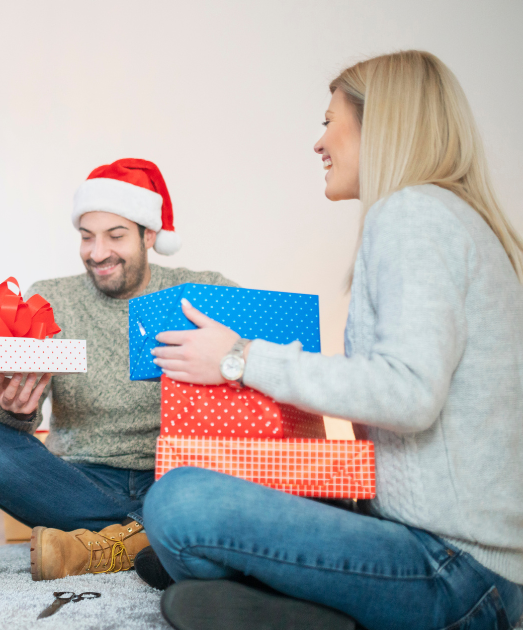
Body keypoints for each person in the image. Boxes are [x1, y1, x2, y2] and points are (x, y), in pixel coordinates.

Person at [142, 50, 523, 630]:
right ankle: (296, 604)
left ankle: (308, 612)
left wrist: (240, 358)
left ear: (382, 123)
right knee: (219, 505)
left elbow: (409, 393)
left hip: (455, 575)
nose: (318, 143)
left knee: (179, 504)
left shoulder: (414, 214)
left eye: (328, 121)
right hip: (465, 562)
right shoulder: (449, 216)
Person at [0, 159, 237, 583]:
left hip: (172, 473)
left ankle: (107, 542)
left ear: (149, 235)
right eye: (86, 237)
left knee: (223, 485)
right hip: (77, 479)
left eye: (116, 235)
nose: (97, 252)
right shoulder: (50, 298)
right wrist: (15, 409)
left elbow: (249, 383)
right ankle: (146, 537)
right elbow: (10, 430)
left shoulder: (202, 291)